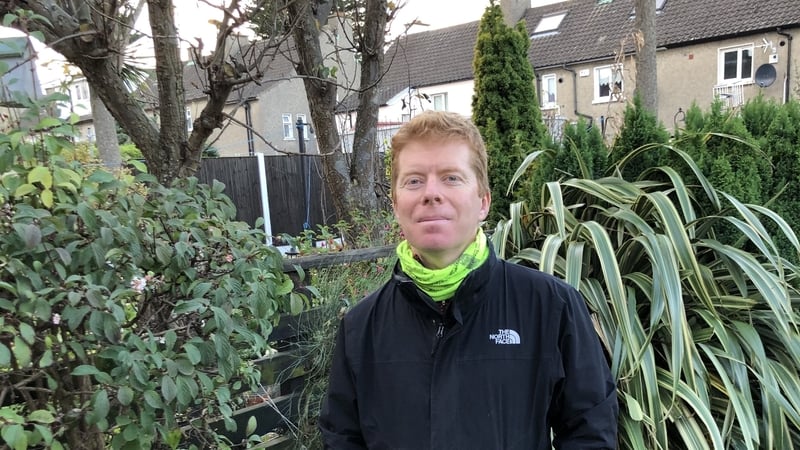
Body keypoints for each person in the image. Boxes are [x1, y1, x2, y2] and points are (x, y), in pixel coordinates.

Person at [318, 111, 618, 449]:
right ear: (396, 204)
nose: (431, 193)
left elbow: (590, 434)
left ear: (483, 202)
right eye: (414, 181)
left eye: (451, 178)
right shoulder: (361, 328)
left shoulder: (550, 307)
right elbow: (342, 438)